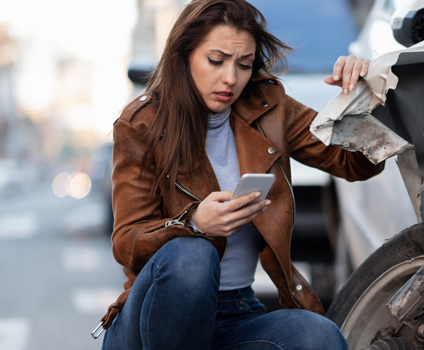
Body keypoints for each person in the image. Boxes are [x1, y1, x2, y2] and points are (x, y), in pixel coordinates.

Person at [99, 0, 384, 348]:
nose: (230, 78)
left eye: (244, 64)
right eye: (216, 61)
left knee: (318, 336)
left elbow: (356, 164)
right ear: (184, 55)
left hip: (237, 311)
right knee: (193, 256)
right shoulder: (141, 123)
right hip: (153, 321)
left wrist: (361, 97)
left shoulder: (269, 107)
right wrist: (194, 224)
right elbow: (126, 242)